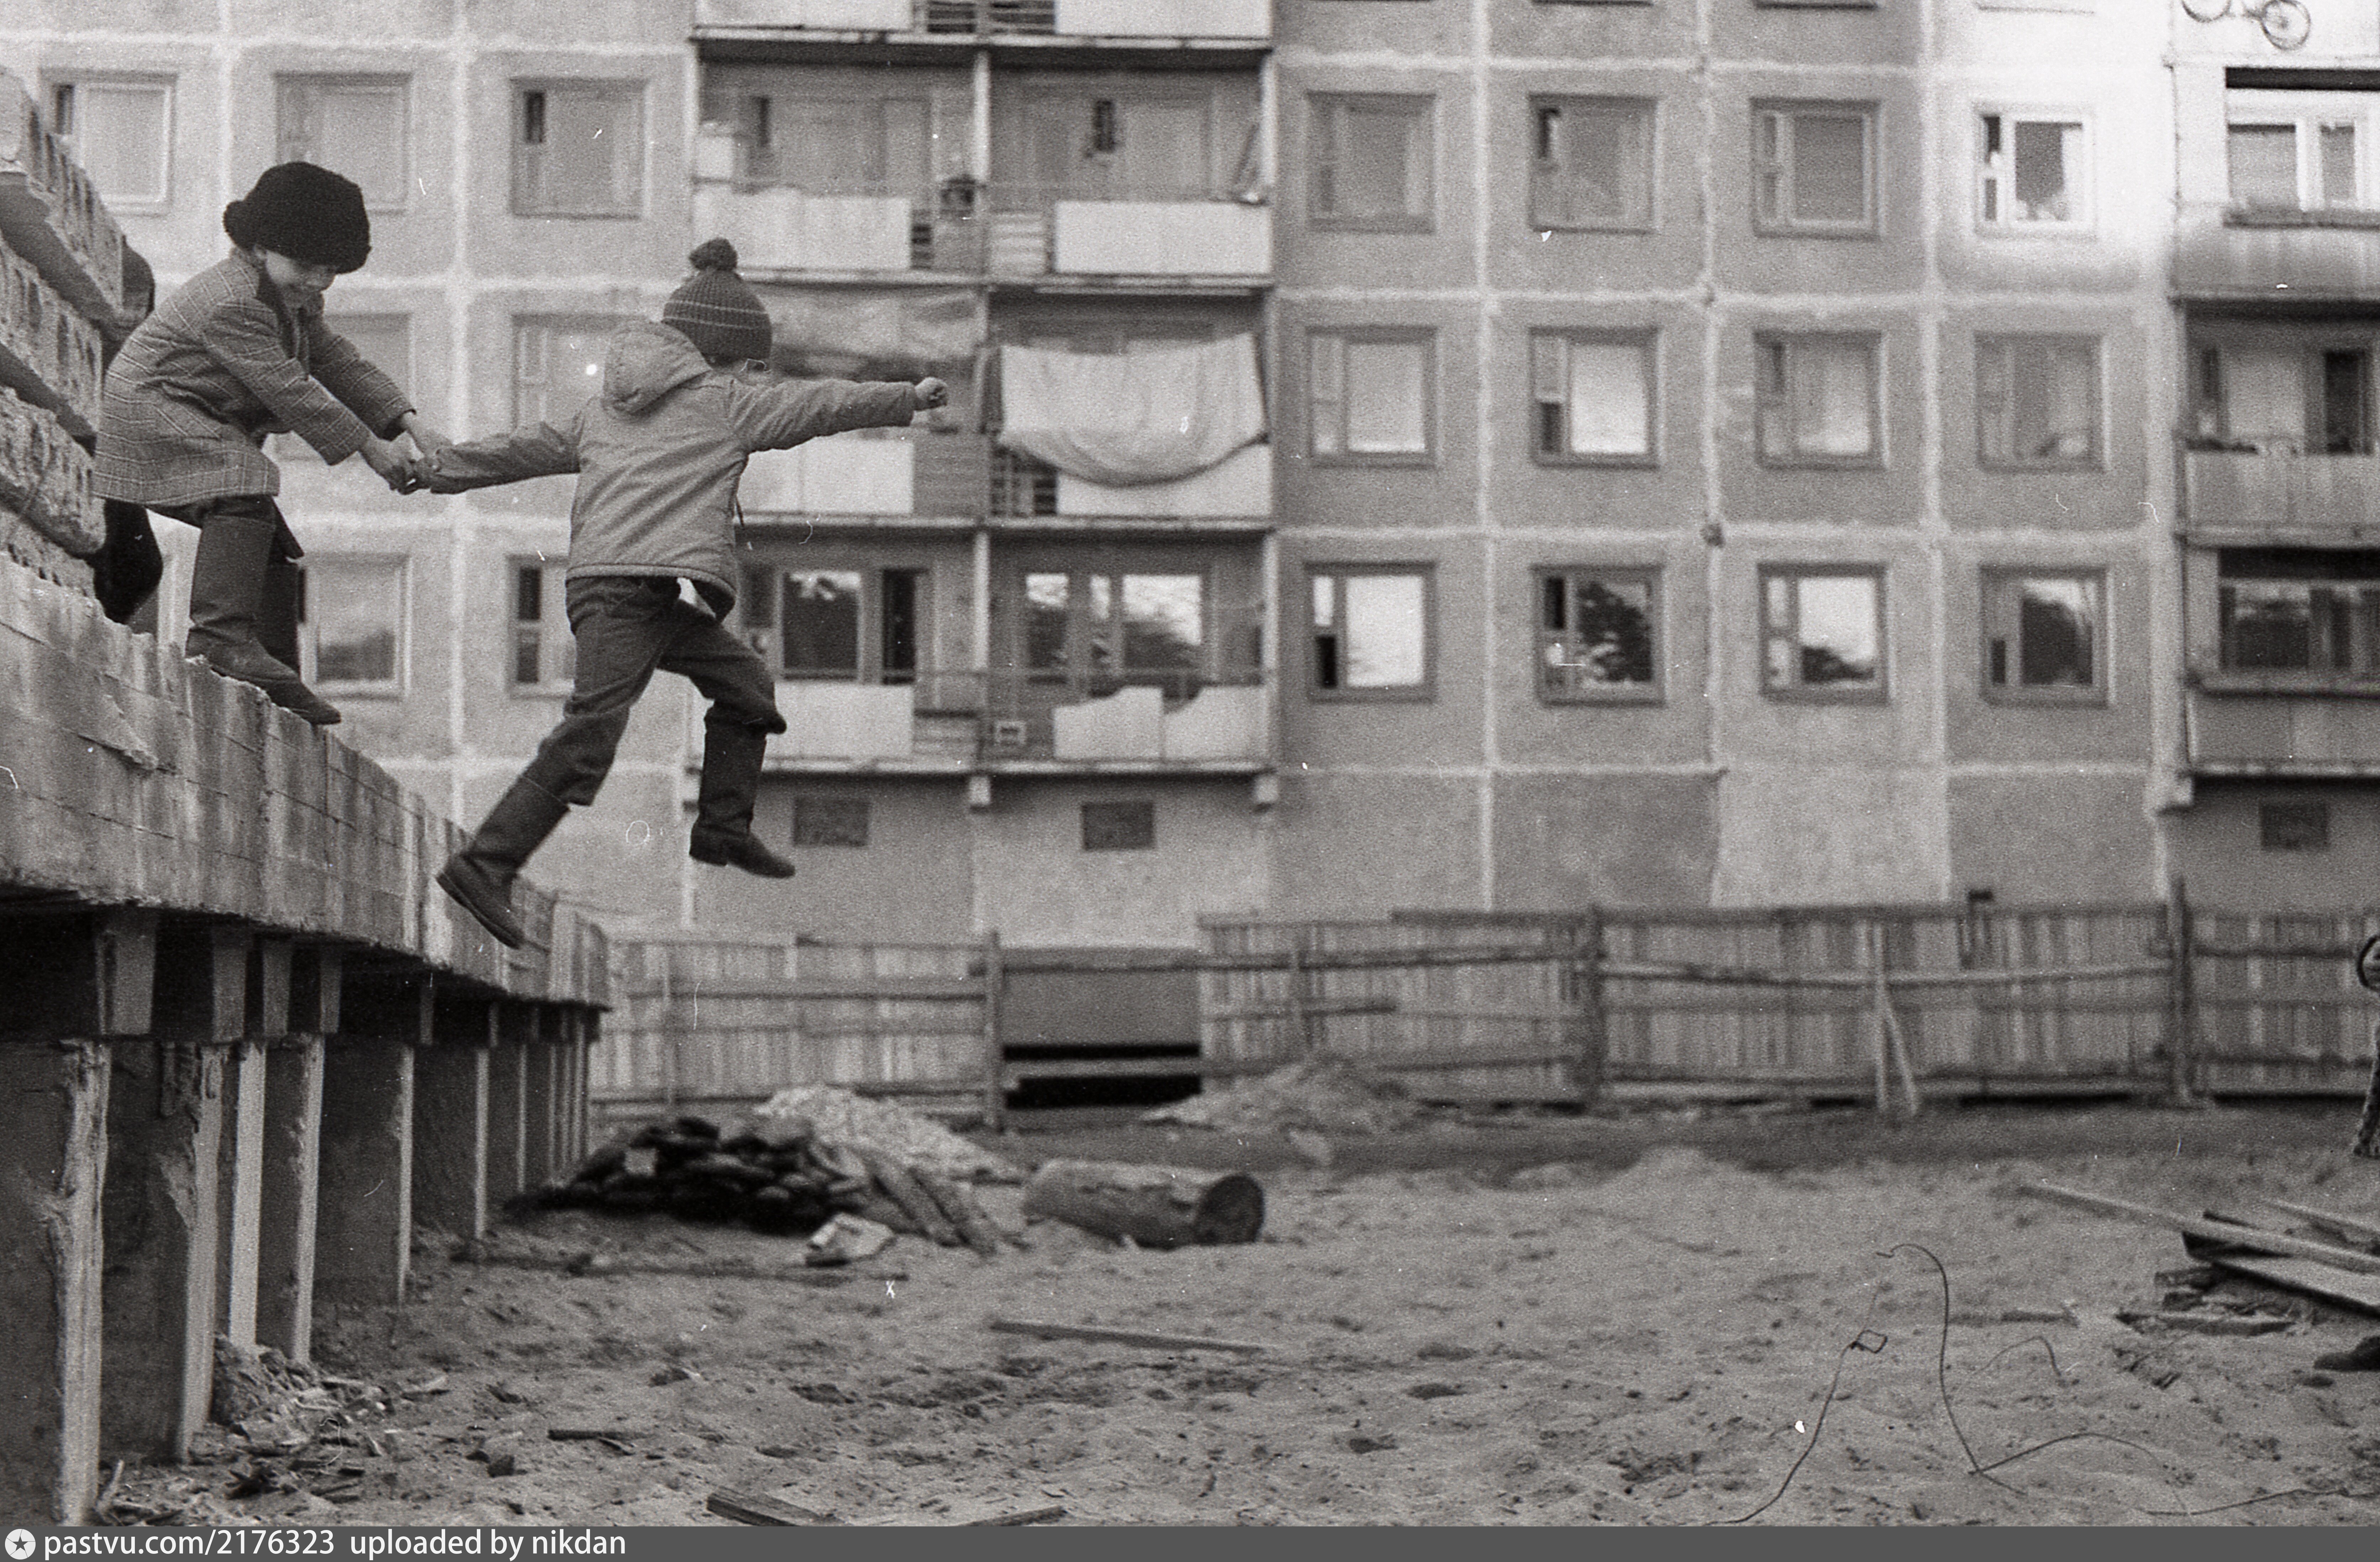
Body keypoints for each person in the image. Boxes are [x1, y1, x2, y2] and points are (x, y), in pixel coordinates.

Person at [424, 239, 948, 949]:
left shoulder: (603, 411)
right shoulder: (724, 404)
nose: (757, 379)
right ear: (723, 358)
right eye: (753, 366)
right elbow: (815, 404)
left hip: (628, 595)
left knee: (745, 684)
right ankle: (483, 866)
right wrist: (905, 398)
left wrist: (439, 469)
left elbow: (522, 449)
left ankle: (722, 829)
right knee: (590, 735)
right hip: (621, 599)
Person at [95, 161, 446, 725]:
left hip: (195, 412)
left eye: (330, 270)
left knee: (267, 535)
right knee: (245, 484)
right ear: (258, 248)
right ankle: (219, 640)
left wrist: (411, 425)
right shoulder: (233, 301)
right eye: (306, 266)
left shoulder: (290, 294)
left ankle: (273, 666)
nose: (318, 281)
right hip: (151, 408)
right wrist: (371, 449)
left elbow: (337, 361)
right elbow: (289, 389)